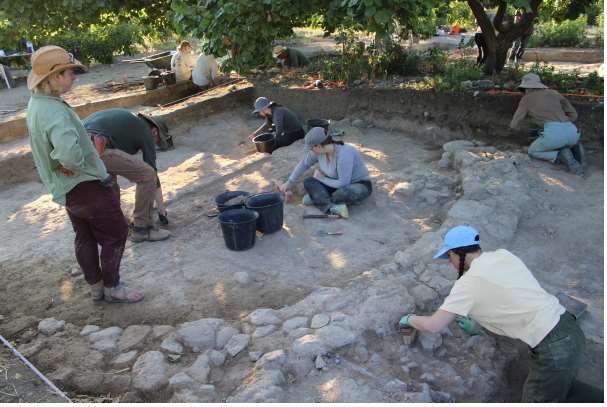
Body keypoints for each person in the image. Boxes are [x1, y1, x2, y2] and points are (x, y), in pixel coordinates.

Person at [398, 225, 603, 402]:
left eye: (448, 256)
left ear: (455, 253)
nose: (449, 262)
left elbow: (434, 325)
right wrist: (477, 327)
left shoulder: (467, 284)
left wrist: (409, 319)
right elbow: (511, 299)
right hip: (569, 328)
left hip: (553, 349)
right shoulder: (504, 255)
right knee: (560, 387)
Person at [26, 45, 143, 303]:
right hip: (84, 184)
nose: (74, 77)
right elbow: (67, 154)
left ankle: (96, 286)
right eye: (70, 72)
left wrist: (66, 161)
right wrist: (78, 160)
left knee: (85, 235)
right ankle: (113, 287)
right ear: (55, 77)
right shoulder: (54, 111)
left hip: (66, 188)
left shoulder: (37, 104)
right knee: (117, 232)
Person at [82, 108, 173, 242]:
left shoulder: (129, 121)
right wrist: (161, 211)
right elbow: (152, 174)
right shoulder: (146, 131)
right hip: (96, 144)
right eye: (158, 140)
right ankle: (143, 228)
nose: (155, 144)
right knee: (147, 174)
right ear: (154, 131)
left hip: (77, 147)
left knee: (110, 182)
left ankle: (115, 224)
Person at [278, 127, 372, 219]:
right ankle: (331, 205)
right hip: (333, 183)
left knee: (345, 192)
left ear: (318, 146)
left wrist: (322, 178)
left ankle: (320, 200)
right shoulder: (318, 152)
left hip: (358, 184)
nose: (311, 151)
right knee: (309, 181)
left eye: (311, 148)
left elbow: (343, 183)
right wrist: (289, 183)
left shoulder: (344, 154)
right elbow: (304, 164)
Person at [509, 73, 585, 175]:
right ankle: (576, 152)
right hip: (572, 130)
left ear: (527, 87)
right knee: (563, 140)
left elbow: (515, 122)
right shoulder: (554, 93)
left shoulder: (526, 99)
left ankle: (559, 154)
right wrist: (562, 121)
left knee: (533, 151)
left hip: (553, 134)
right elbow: (574, 115)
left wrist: (515, 128)